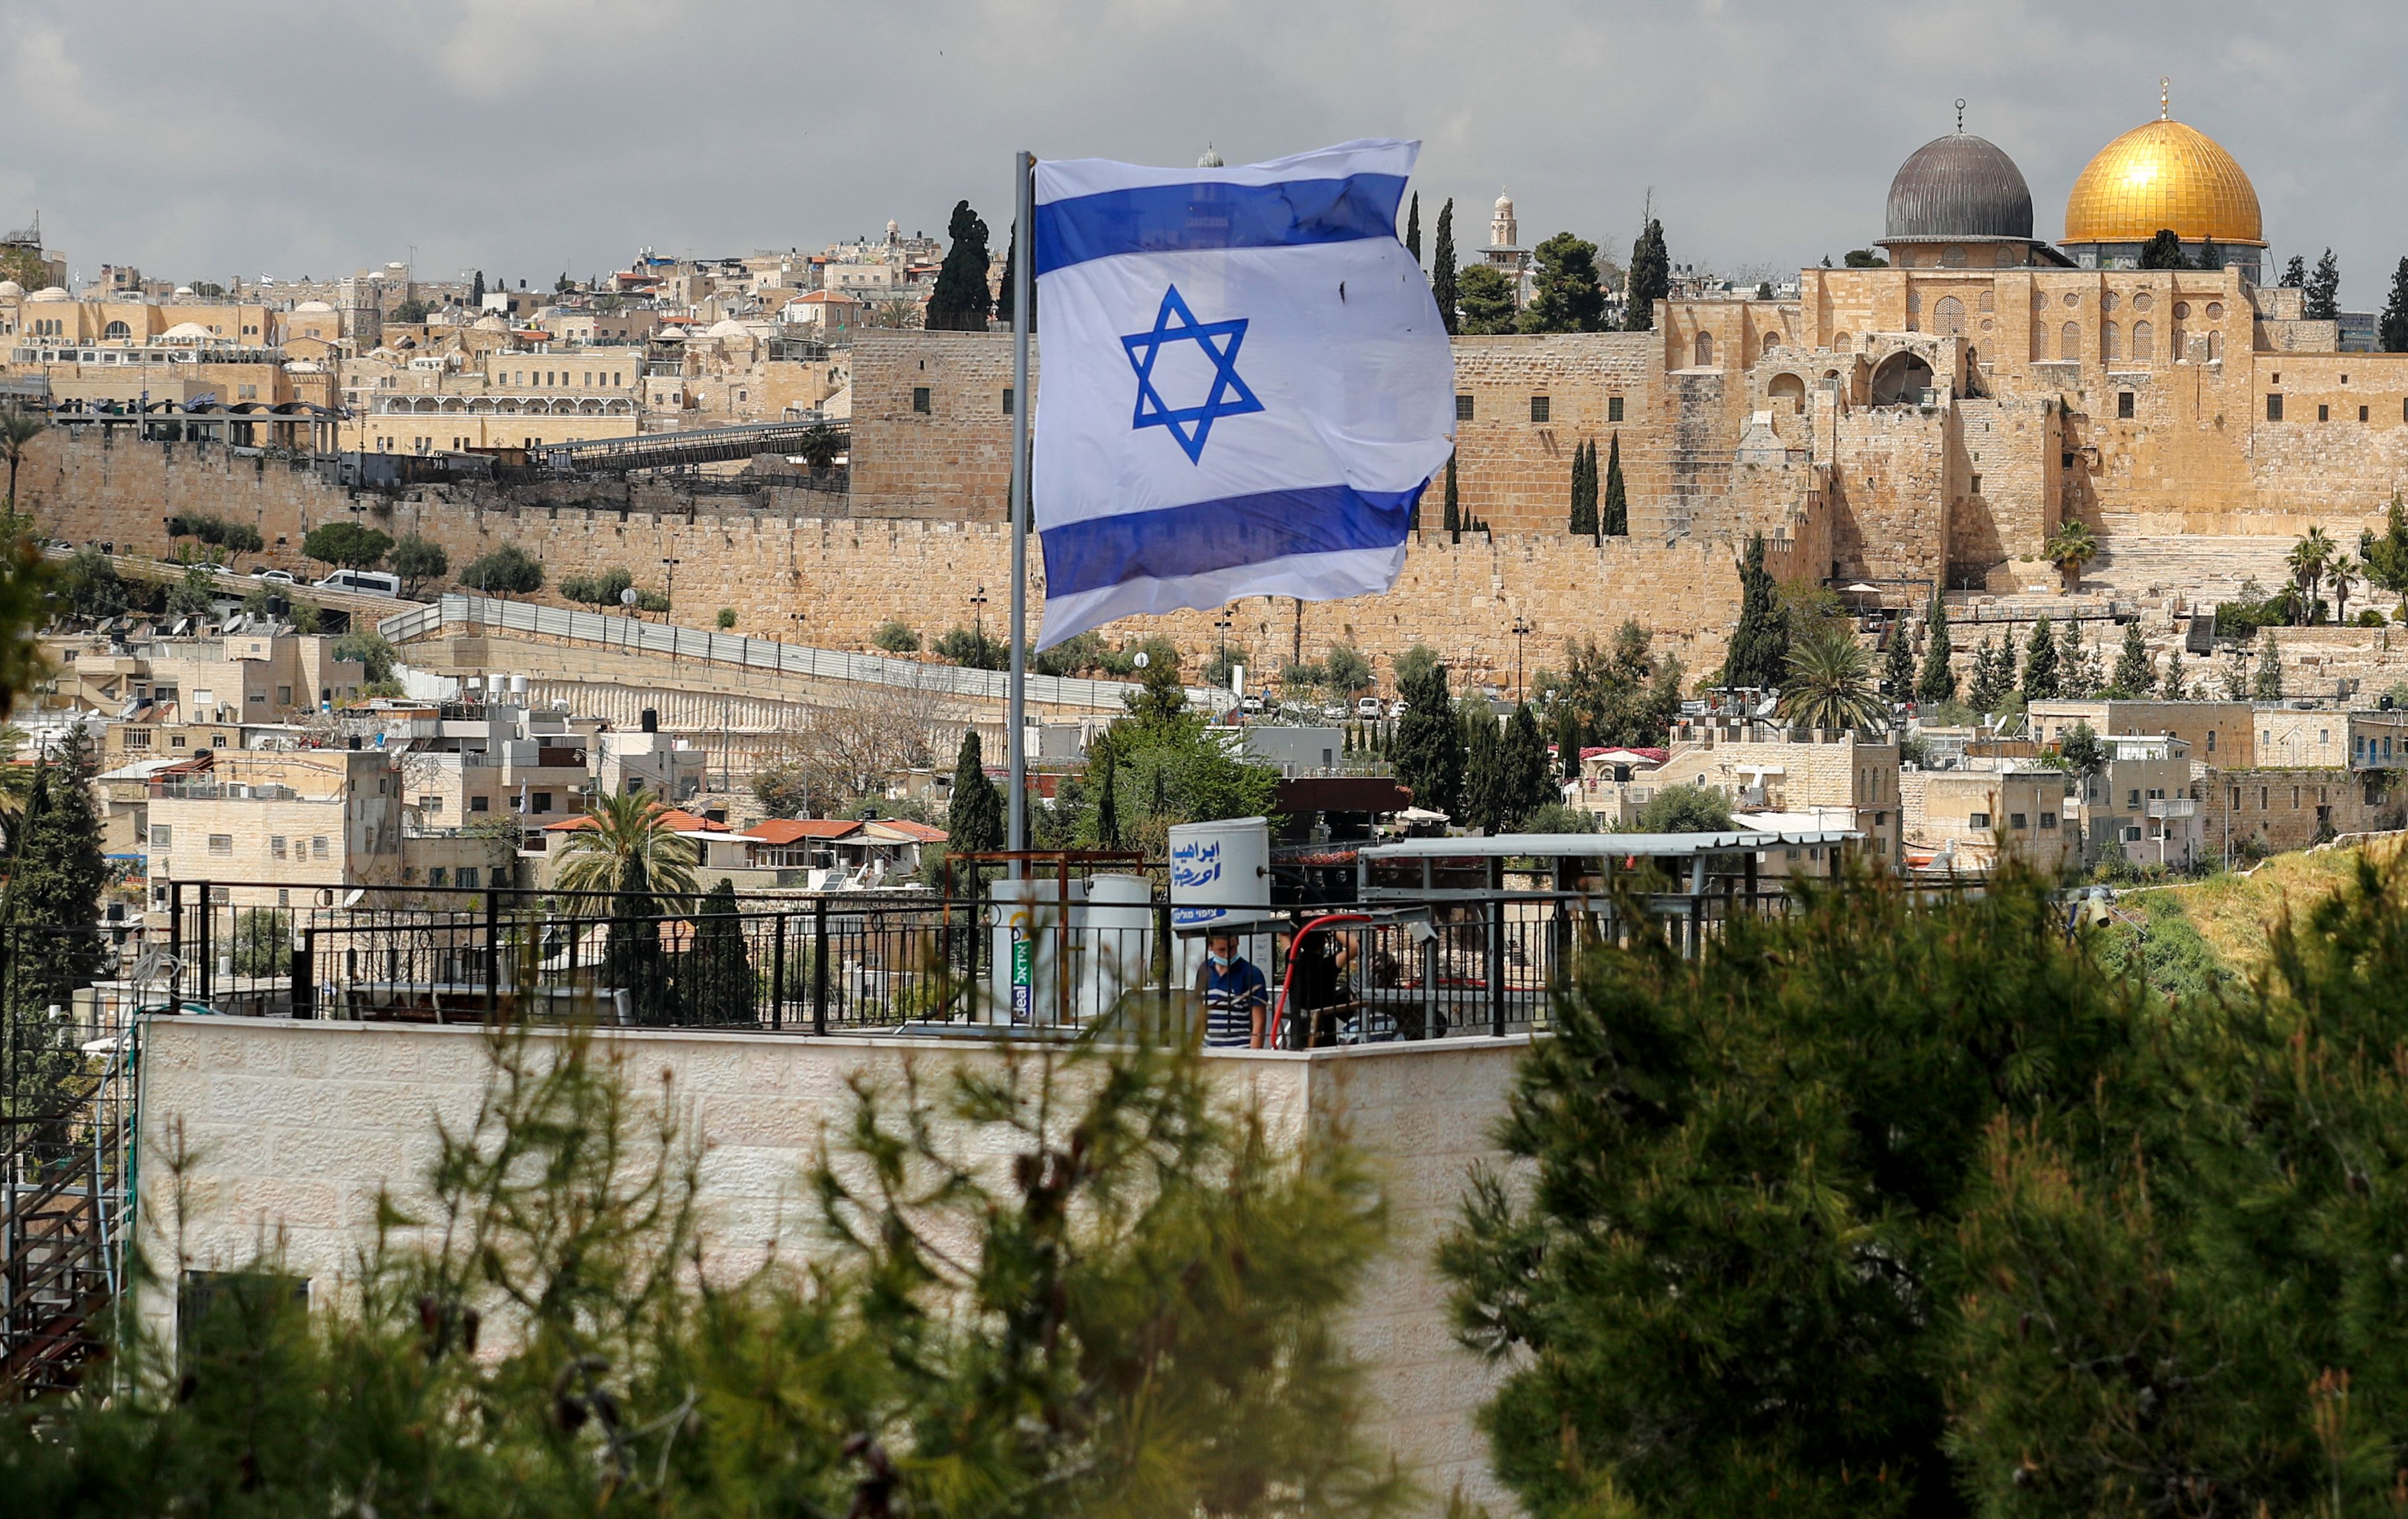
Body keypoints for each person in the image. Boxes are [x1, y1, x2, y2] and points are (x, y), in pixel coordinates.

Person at [1281, 917, 1357, 1049]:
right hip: (1325, 1028)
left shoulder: (1293, 961)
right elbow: (1354, 947)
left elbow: (1282, 933)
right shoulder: (1328, 964)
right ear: (1324, 942)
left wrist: (1302, 921)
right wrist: (1330, 926)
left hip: (1299, 1027)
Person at [1195, 931, 1268, 1049]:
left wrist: (1253, 1057)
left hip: (1240, 1050)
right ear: (1210, 947)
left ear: (1238, 942)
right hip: (1208, 1050)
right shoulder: (1204, 970)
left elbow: (1259, 1022)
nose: (1228, 955)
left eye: (1232, 948)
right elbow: (1201, 1013)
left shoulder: (1251, 973)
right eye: (1222, 950)